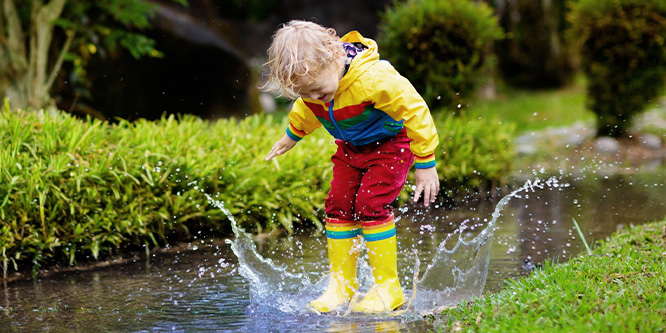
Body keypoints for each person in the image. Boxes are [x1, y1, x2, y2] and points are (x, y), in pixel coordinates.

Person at [263, 20, 440, 314]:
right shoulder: (313, 90)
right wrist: (291, 136)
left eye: (319, 91)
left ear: (335, 57)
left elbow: (414, 109)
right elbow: (306, 109)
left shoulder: (373, 78)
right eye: (306, 94)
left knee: (370, 204)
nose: (315, 99)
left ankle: (388, 287)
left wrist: (426, 161)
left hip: (391, 145)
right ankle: (341, 286)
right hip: (350, 149)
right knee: (339, 203)